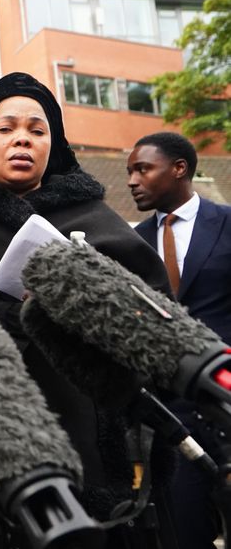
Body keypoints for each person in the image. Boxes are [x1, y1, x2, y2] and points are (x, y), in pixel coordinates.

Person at [0, 72, 177, 548]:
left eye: (37, 129)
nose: (22, 138)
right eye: (6, 129)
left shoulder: (98, 221)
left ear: (53, 146)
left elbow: (154, 314)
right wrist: (16, 315)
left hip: (86, 425)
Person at [128, 131, 231, 549]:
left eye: (143, 169)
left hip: (225, 397)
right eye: (130, 171)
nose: (133, 180)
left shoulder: (227, 222)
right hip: (170, 415)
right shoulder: (131, 242)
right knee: (185, 530)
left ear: (179, 169)